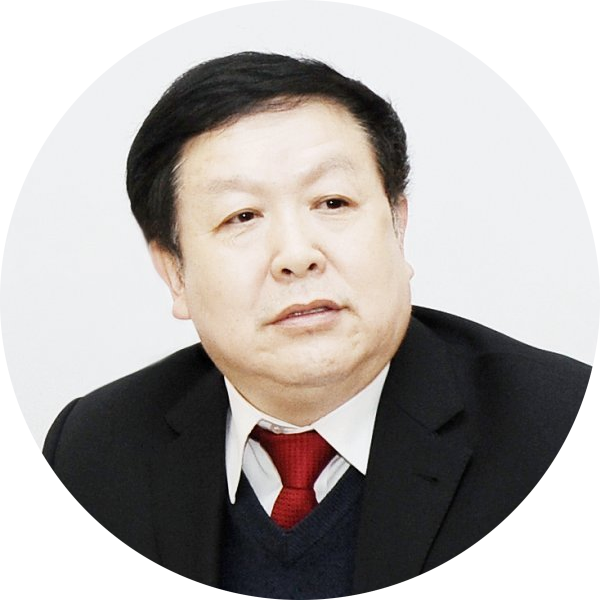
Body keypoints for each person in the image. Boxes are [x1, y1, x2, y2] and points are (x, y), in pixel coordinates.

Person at [43, 52, 591, 596]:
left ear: (398, 227)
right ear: (174, 273)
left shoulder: (553, 423)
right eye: (242, 216)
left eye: (332, 202)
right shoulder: (95, 452)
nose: (297, 254)